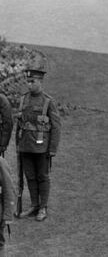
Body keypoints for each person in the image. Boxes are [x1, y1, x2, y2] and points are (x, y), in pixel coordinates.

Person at [15, 68, 61, 222]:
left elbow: (56, 126)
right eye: (27, 82)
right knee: (30, 177)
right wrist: (17, 145)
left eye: (32, 81)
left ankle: (43, 207)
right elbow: (20, 124)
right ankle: (34, 205)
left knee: (42, 177)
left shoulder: (48, 101)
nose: (29, 85)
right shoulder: (24, 99)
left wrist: (53, 148)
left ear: (40, 82)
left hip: (41, 147)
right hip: (25, 146)